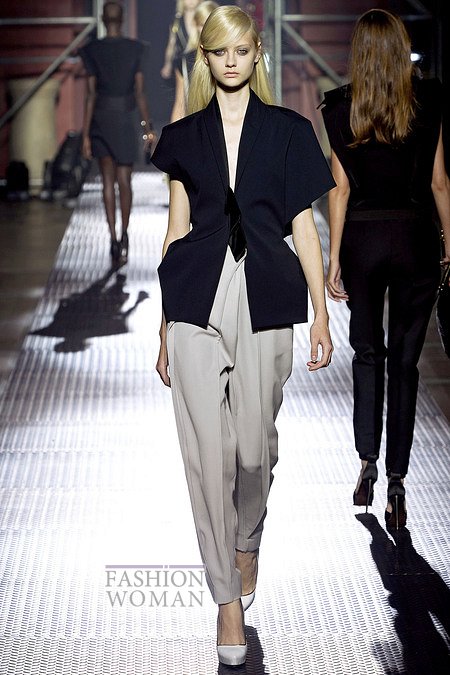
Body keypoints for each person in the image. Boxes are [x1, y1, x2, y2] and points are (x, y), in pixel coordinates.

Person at [151, 5, 335, 666]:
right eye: (219, 51)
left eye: (241, 50)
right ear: (205, 58)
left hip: (265, 293)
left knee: (254, 451)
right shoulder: (182, 137)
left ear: (257, 53)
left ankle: (246, 540)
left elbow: (304, 224)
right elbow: (176, 230)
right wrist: (164, 326)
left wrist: (321, 310)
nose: (230, 61)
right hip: (196, 295)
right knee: (208, 455)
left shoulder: (288, 131)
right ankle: (226, 601)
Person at [321, 9, 450, 530]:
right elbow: (439, 182)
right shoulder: (429, 103)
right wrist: (449, 246)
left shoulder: (340, 109)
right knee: (406, 363)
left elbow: (339, 188)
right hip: (416, 237)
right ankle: (398, 479)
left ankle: (367, 462)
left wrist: (334, 258)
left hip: (364, 241)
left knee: (368, 354)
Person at [80, 1, 154, 263]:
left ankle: (112, 237)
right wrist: (148, 127)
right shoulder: (136, 49)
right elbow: (140, 92)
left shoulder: (92, 50)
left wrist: (85, 134)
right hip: (125, 119)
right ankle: (124, 233)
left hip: (101, 119)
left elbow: (90, 95)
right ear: (122, 19)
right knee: (125, 181)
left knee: (107, 182)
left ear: (102, 18)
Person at [170, 1, 218, 122]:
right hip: (197, 125)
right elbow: (180, 105)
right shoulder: (185, 62)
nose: (206, 29)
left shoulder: (230, 58)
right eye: (202, 24)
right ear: (196, 26)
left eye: (210, 24)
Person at [160, 0, 201, 80]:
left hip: (201, 61)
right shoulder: (177, 20)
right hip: (183, 63)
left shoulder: (204, 17)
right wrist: (167, 64)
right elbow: (171, 43)